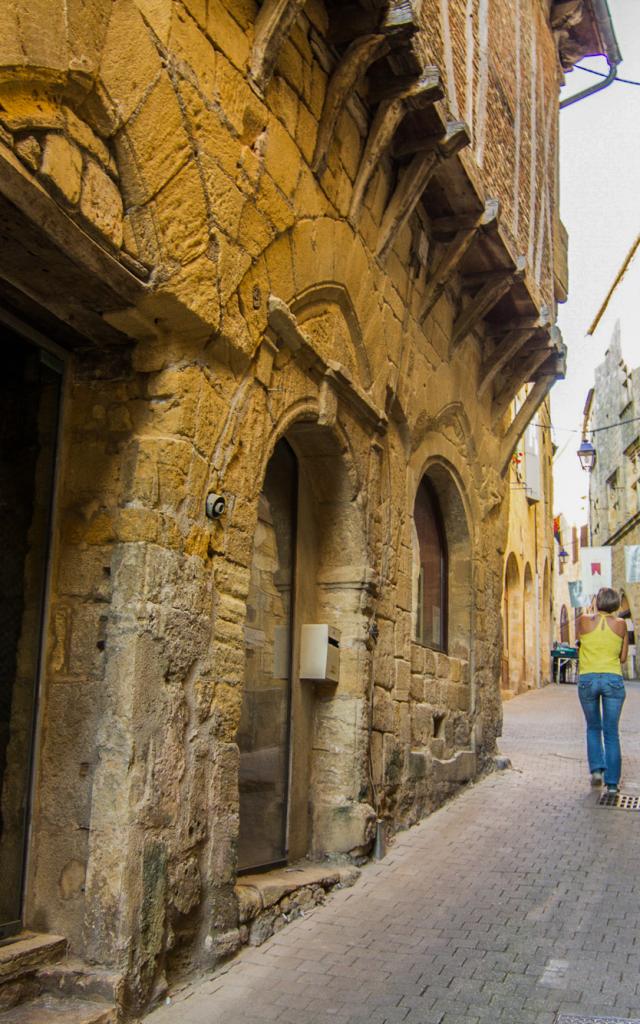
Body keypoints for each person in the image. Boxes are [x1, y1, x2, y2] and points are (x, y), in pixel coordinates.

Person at [577, 587, 628, 794]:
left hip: (588, 678)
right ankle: (613, 784)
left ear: (597, 602)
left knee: (592, 727)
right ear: (615, 604)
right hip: (612, 679)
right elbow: (623, 658)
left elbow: (580, 643)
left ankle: (597, 770)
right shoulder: (621, 625)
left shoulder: (583, 621)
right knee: (611, 732)